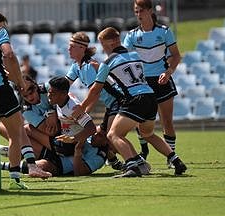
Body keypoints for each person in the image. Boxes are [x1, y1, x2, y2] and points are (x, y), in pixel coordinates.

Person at [76, 27, 186, 177]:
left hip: (134, 100)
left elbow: (95, 89)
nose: (103, 48)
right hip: (150, 97)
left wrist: (81, 107)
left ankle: (132, 166)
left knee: (113, 135)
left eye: (103, 44)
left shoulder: (107, 62)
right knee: (148, 134)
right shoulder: (135, 56)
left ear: (109, 43)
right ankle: (176, 161)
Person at [1, 75, 106, 176]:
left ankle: (15, 152)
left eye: (52, 93)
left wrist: (73, 140)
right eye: (24, 95)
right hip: (61, 143)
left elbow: (91, 128)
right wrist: (51, 113)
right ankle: (13, 155)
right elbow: (50, 130)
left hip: (65, 146)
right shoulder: (56, 104)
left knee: (25, 130)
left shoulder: (72, 108)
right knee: (24, 133)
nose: (48, 95)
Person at [0, 12, 51, 190]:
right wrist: (19, 82)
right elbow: (9, 55)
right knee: (16, 132)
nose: (4, 28)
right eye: (3, 24)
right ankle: (15, 178)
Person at [123, 0, 182, 166]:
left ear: (149, 11)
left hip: (162, 80)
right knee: (140, 120)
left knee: (166, 121)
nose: (138, 14)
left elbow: (176, 55)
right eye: (136, 11)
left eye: (141, 10)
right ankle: (144, 151)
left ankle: (171, 156)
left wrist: (168, 72)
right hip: (142, 83)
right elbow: (125, 58)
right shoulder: (132, 35)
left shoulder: (164, 32)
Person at [65, 31, 124, 170]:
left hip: (119, 102)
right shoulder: (76, 66)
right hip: (111, 105)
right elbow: (64, 86)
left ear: (82, 48)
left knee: (111, 137)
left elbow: (95, 93)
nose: (69, 49)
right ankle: (114, 161)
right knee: (98, 138)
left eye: (72, 46)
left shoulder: (89, 66)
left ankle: (136, 161)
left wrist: (83, 113)